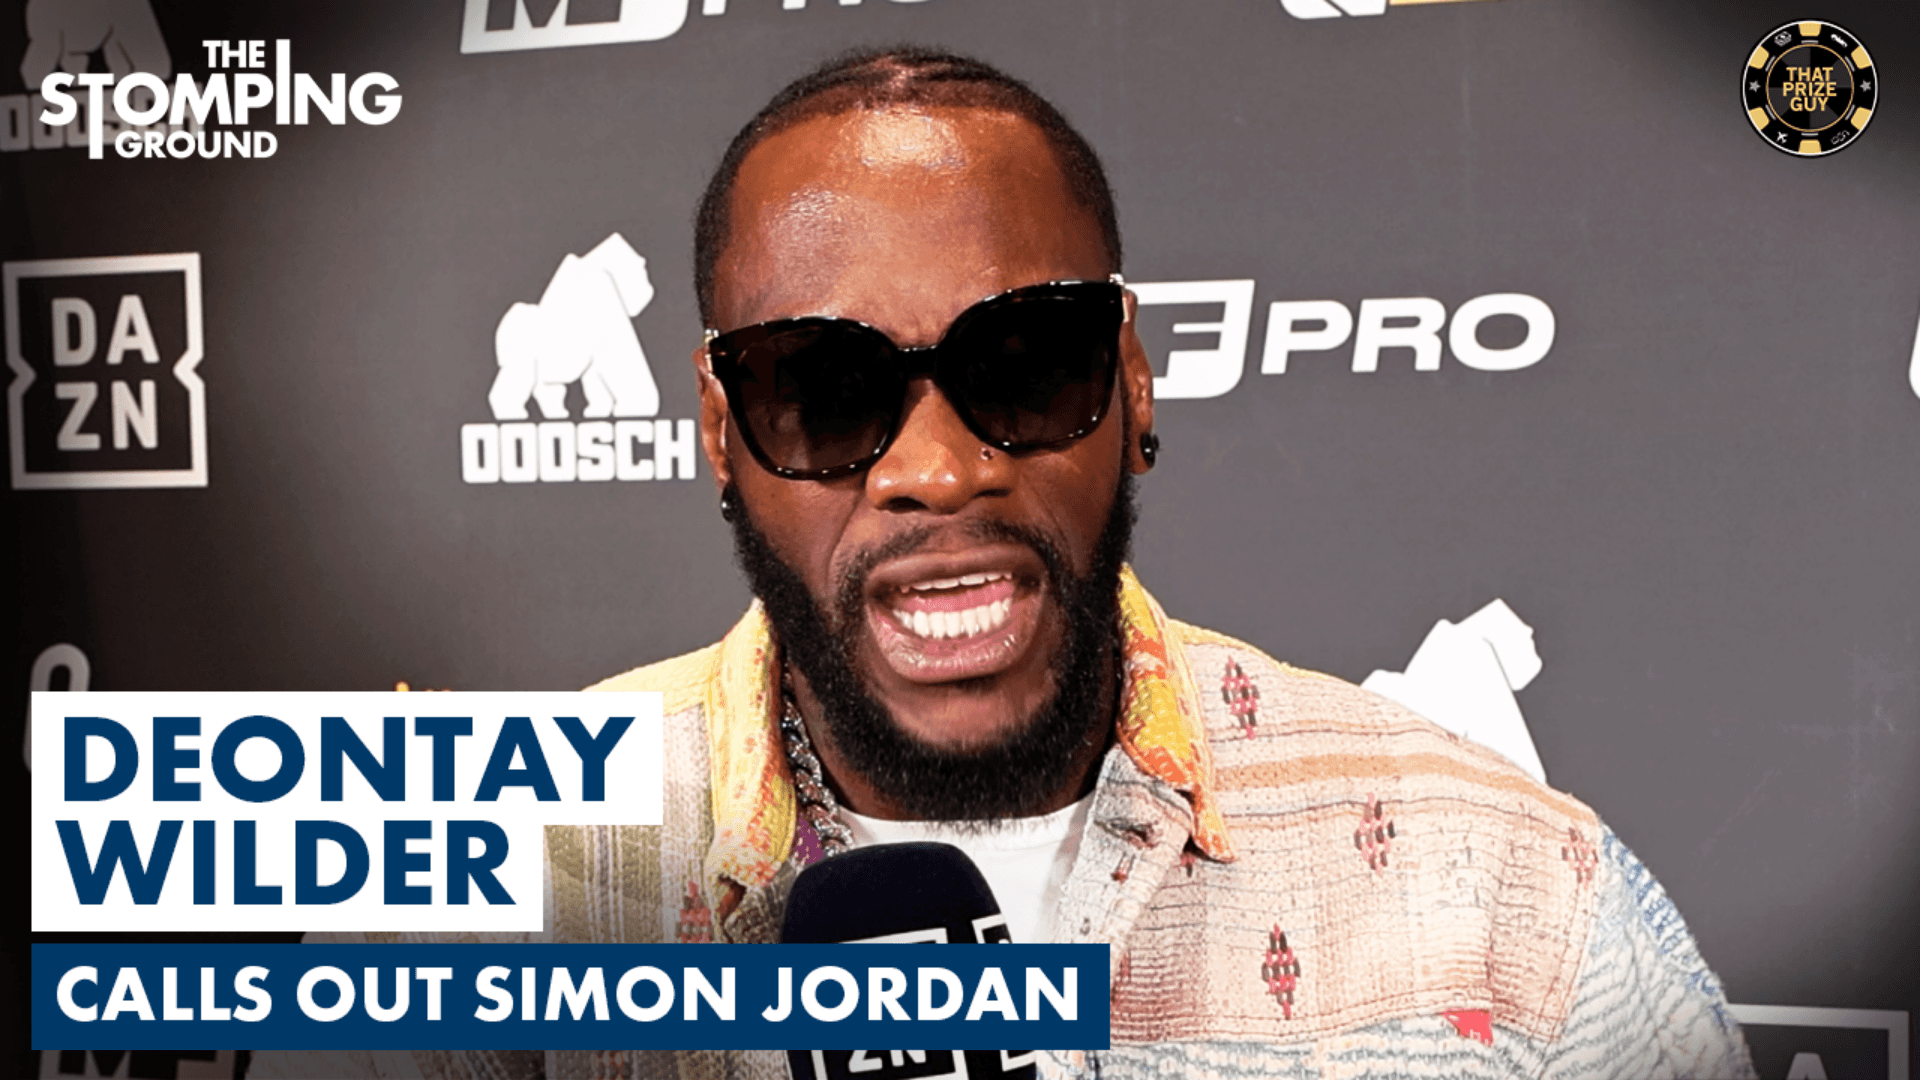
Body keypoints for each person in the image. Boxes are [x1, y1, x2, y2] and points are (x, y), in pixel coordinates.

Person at [255, 47, 1754, 1080]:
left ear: (1135, 384)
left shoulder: (1509, 888)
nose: (937, 466)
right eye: (821, 388)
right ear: (718, 433)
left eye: (1024, 362)